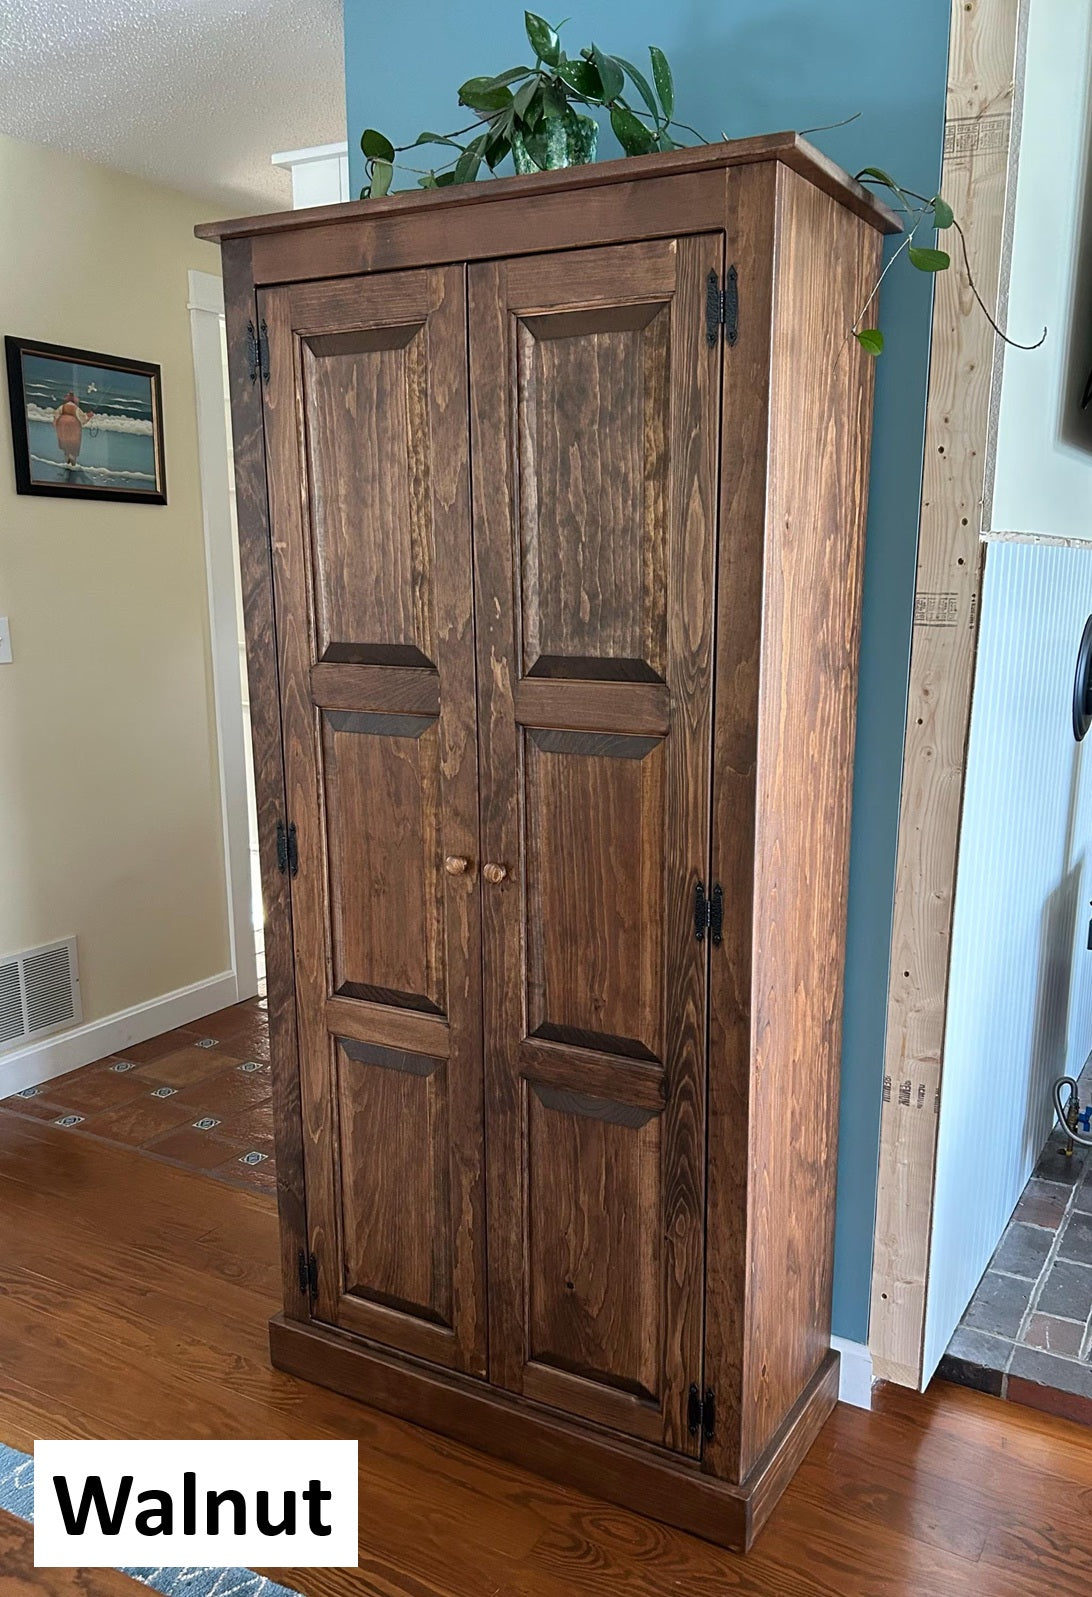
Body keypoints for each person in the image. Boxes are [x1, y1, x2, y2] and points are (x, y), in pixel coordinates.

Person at [53, 391, 94, 467]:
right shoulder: (76, 408)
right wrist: (89, 416)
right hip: (74, 426)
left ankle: (67, 457)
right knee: (74, 443)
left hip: (62, 424)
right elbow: (83, 419)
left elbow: (56, 416)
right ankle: (72, 460)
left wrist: (56, 424)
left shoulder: (62, 407)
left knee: (65, 441)